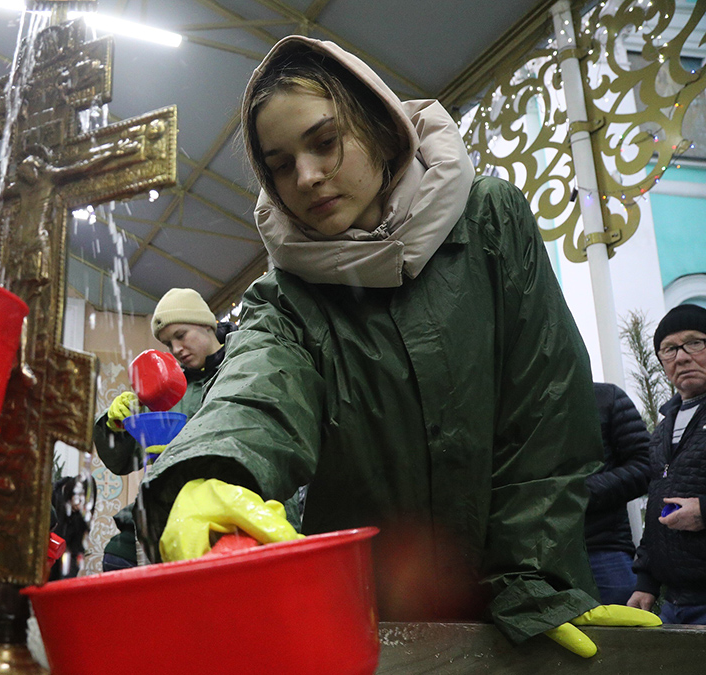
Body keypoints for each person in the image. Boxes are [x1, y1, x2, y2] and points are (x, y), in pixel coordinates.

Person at [136, 35, 660, 658]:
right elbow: (257, 391)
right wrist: (207, 472)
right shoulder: (287, 299)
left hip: (517, 620)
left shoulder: (488, 221)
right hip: (367, 623)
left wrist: (536, 581)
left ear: (379, 125)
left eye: (325, 141)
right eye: (279, 165)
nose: (306, 176)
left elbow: (544, 409)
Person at [92, 287, 236, 570]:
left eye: (181, 335)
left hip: (225, 514)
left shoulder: (244, 368)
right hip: (162, 517)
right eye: (169, 343)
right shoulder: (166, 392)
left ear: (207, 324)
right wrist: (117, 427)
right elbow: (123, 461)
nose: (176, 349)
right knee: (119, 554)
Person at [629, 304, 706, 624]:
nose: (682, 357)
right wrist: (646, 581)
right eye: (670, 349)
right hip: (675, 602)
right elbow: (657, 504)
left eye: (694, 342)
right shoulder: (663, 428)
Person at [585, 382, 652, 605]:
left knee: (623, 625)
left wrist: (583, 492)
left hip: (603, 547)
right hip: (535, 553)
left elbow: (646, 465)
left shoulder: (605, 397)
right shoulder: (516, 402)